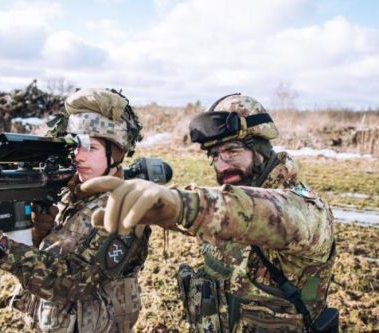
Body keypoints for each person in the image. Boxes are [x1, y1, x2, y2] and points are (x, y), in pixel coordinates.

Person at [82, 94, 337, 332]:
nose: (222, 165)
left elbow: (256, 213)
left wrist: (184, 204)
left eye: (232, 152)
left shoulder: (306, 210)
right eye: (215, 155)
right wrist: (161, 205)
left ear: (260, 151)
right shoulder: (225, 203)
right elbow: (216, 211)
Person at [0, 88, 151, 332]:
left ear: (116, 154)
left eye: (92, 147)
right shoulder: (74, 194)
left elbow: (74, 281)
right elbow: (52, 261)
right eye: (75, 146)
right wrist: (38, 236)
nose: (78, 156)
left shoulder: (124, 208)